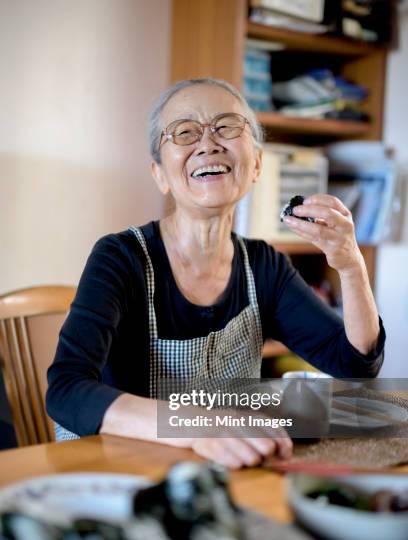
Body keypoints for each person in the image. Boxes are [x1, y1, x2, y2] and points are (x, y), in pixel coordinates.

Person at [46, 78, 385, 469]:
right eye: (185, 132)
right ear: (159, 173)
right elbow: (67, 390)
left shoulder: (264, 266)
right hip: (119, 472)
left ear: (256, 163)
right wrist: (202, 424)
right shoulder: (120, 258)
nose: (208, 144)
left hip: (218, 472)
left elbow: (357, 363)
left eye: (226, 127)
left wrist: (350, 265)